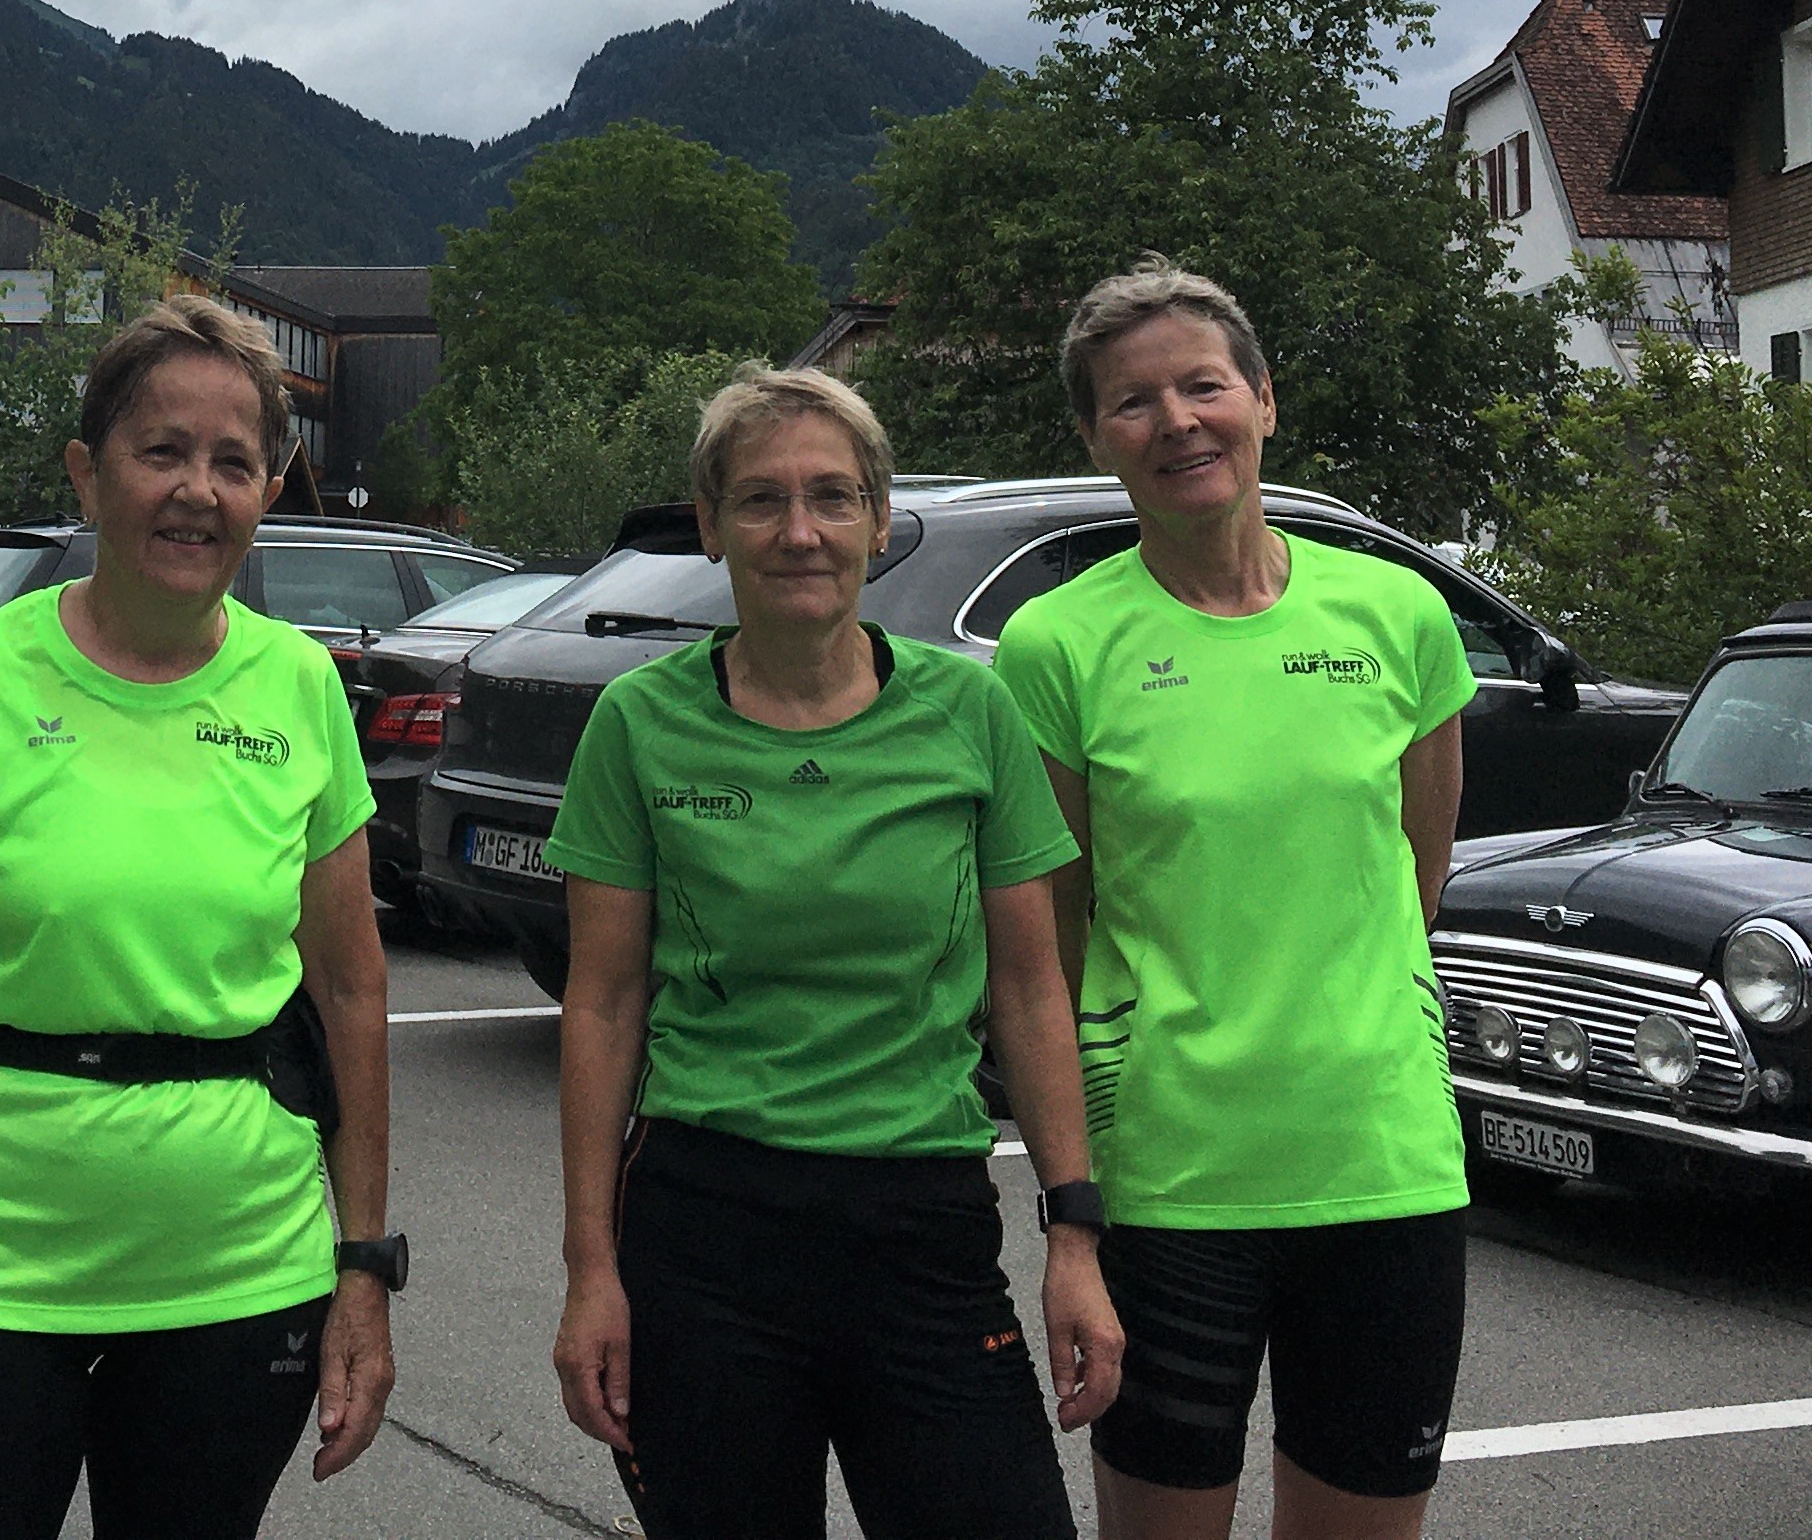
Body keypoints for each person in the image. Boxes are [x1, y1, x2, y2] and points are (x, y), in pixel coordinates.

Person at [0, 294, 400, 1538]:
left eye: (233, 462)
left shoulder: (301, 685)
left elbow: (351, 988)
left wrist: (362, 1271)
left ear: (269, 491)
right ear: (89, 474)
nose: (197, 491)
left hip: (242, 1267)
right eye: (162, 451)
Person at [548, 364, 1123, 1540]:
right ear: (712, 525)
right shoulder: (640, 723)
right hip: (705, 1228)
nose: (799, 531)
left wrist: (1074, 1236)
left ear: (878, 518)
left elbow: (1030, 991)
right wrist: (590, 1272)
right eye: (760, 499)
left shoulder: (970, 714)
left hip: (921, 1220)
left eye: (832, 497)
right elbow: (602, 1006)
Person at [990, 258, 1476, 1540]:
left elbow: (1417, 876)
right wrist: (1072, 1214)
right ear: (1095, 437)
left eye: (1203, 386)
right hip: (1170, 1187)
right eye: (1133, 401)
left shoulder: (1399, 614)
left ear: (1264, 399)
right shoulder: (1056, 647)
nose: (1177, 421)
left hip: (1383, 1172)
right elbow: (1051, 949)